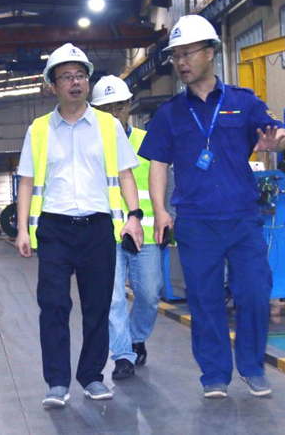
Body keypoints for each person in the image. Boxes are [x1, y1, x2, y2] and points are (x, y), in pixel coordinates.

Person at [138, 15, 285, 399]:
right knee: (205, 300)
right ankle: (215, 374)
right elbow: (158, 164)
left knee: (254, 292)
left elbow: (279, 132)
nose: (181, 62)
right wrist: (160, 211)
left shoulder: (243, 102)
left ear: (209, 53)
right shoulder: (170, 113)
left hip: (242, 218)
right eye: (176, 56)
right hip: (196, 221)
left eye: (187, 53)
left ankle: (252, 367)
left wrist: (279, 142)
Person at [15, 43, 145, 408]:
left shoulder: (108, 126)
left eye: (80, 76)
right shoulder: (39, 129)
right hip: (54, 229)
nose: (75, 83)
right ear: (52, 85)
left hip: (98, 228)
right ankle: (57, 382)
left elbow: (126, 175)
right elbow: (26, 181)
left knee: (97, 306)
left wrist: (134, 216)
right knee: (53, 305)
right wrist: (23, 229)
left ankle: (91, 376)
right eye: (66, 77)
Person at [90, 75, 162, 381]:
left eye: (119, 107)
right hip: (106, 234)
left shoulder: (147, 141)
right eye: (106, 109)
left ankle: (136, 337)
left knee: (150, 294)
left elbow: (165, 182)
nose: (114, 114)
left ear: (129, 106)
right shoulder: (90, 146)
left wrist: (165, 217)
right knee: (114, 298)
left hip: (144, 232)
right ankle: (122, 355)